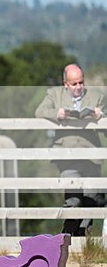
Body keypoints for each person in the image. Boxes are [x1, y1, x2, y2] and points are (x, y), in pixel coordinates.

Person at [35, 64, 105, 236]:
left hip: (91, 154)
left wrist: (101, 116)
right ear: (65, 84)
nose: (79, 87)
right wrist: (57, 114)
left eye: (81, 83)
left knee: (91, 199)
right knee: (73, 199)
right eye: (74, 84)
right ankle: (68, 237)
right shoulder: (54, 94)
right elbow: (40, 111)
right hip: (67, 155)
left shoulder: (97, 97)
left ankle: (84, 239)